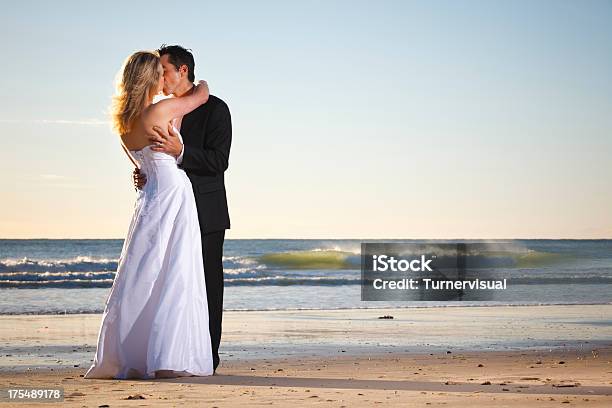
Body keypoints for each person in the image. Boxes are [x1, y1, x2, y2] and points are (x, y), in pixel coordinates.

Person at [84, 50, 214, 379]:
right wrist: (197, 82)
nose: (162, 78)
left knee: (143, 273)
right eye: (158, 73)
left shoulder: (124, 124)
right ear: (147, 78)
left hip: (150, 198)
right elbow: (200, 96)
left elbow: (142, 168)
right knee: (176, 270)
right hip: (172, 193)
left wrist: (142, 174)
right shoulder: (160, 109)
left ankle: (134, 353)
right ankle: (169, 358)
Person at [134, 44, 232, 373]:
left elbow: (220, 162)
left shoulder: (216, 109)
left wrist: (181, 151)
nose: (159, 77)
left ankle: (208, 356)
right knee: (171, 281)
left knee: (207, 284)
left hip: (206, 212)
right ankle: (174, 353)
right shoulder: (161, 109)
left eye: (163, 70)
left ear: (182, 71)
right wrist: (146, 169)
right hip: (170, 211)